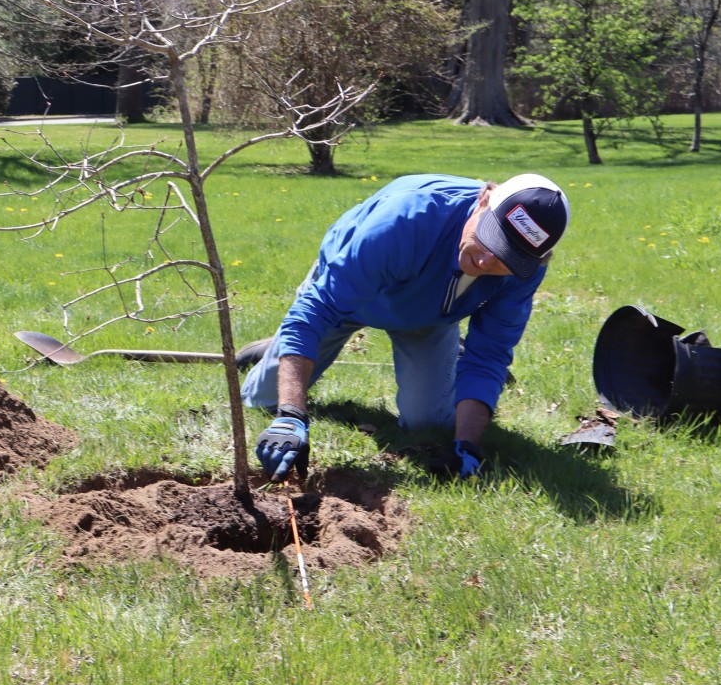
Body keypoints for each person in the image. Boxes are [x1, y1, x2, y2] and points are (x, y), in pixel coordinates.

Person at [243, 173, 570, 483]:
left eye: (506, 257)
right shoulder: (406, 219)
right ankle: (287, 348)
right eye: (490, 238)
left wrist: (467, 445)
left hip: (428, 318)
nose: (486, 262)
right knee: (262, 399)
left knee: (430, 422)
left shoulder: (523, 270)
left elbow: (490, 354)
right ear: (483, 200)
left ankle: (448, 359)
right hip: (345, 300)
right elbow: (316, 310)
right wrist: (291, 415)